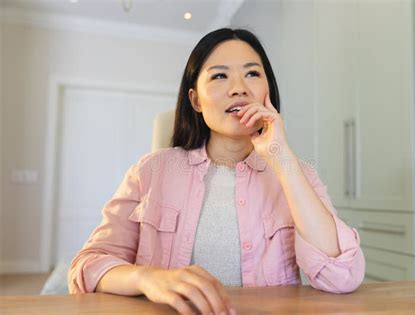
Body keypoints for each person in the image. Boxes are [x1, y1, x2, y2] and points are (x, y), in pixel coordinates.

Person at [68, 28, 365, 315]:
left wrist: (281, 157)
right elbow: (86, 267)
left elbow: (342, 276)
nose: (239, 88)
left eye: (252, 74)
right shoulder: (149, 172)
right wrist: (148, 278)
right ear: (196, 100)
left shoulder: (298, 173)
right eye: (220, 76)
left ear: (268, 92)